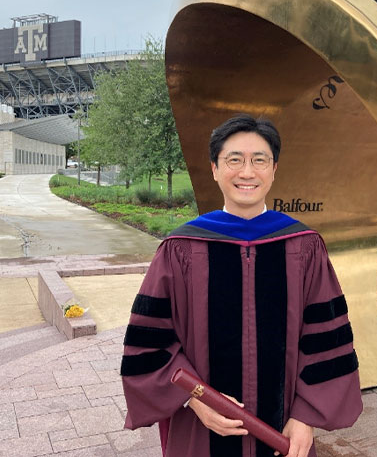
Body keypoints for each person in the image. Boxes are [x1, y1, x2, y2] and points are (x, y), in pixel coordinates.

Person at [121, 114, 362, 457]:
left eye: (259, 160)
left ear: (274, 169)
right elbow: (151, 341)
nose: (247, 172)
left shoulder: (304, 247)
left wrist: (306, 417)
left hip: (283, 434)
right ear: (215, 169)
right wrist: (196, 400)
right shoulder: (181, 249)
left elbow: (327, 340)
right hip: (202, 433)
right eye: (234, 160)